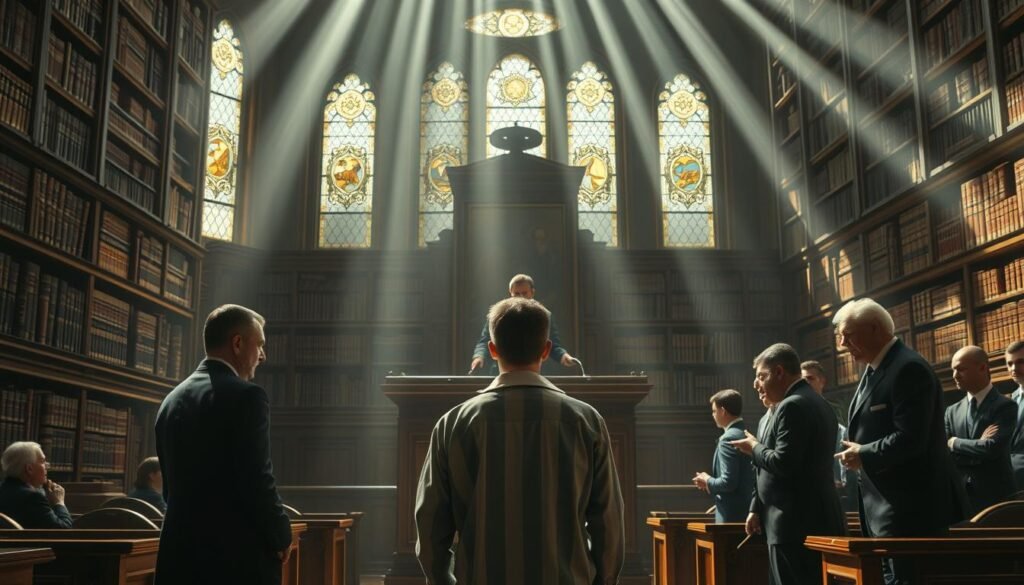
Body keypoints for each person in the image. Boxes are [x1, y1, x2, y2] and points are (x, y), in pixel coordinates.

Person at [416, 297, 624, 585]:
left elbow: (430, 525)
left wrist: (446, 580)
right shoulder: (586, 422)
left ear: (492, 350)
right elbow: (608, 522)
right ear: (546, 349)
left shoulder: (453, 424)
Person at [155, 304, 292, 585]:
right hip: (232, 559)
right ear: (238, 343)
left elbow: (170, 489)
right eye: (260, 345)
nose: (263, 356)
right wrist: (281, 534)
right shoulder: (247, 397)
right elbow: (257, 478)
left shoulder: (171, 400)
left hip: (178, 556)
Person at [833, 298, 961, 585]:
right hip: (884, 510)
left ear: (875, 328)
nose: (841, 344)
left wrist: (863, 453)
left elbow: (912, 438)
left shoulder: (907, 368)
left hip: (909, 510)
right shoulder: (875, 368)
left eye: (848, 335)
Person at [730, 343, 845, 585]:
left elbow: (783, 463)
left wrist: (753, 447)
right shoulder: (815, 401)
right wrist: (756, 508)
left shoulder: (792, 405)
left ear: (779, 372)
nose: (756, 384)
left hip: (794, 523)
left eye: (761, 376)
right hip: (803, 518)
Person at [945, 346, 1016, 514]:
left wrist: (954, 442)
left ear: (983, 368)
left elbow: (991, 448)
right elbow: (944, 453)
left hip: (997, 498)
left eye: (961, 369)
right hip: (961, 498)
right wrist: (978, 447)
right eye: (953, 370)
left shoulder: (1005, 406)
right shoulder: (951, 411)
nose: (955, 375)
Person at [468, 274, 577, 374]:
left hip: (536, 372)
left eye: (524, 293)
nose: (520, 297)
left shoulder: (544, 315)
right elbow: (485, 340)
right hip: (503, 373)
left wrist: (563, 356)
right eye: (516, 293)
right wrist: (479, 357)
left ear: (532, 292)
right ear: (510, 293)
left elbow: (552, 343)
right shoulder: (499, 315)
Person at [692, 389, 754, 522]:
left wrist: (707, 480)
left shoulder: (727, 439)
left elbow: (728, 482)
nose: (713, 415)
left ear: (723, 411)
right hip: (747, 510)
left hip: (731, 516)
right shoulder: (746, 434)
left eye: (714, 411)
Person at [802, 360, 856, 509]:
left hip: (836, 495)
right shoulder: (797, 416)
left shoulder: (833, 420)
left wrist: (839, 480)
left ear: (822, 382)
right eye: (803, 380)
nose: (806, 383)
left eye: (810, 379)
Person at [0, 441, 71, 528]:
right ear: (29, 469)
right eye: (43, 461)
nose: (47, 466)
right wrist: (59, 502)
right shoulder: (33, 497)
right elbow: (64, 530)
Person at [1007, 340, 1024, 490]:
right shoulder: (1012, 397)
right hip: (1012, 481)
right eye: (1010, 363)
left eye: (1020, 362)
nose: (1014, 368)